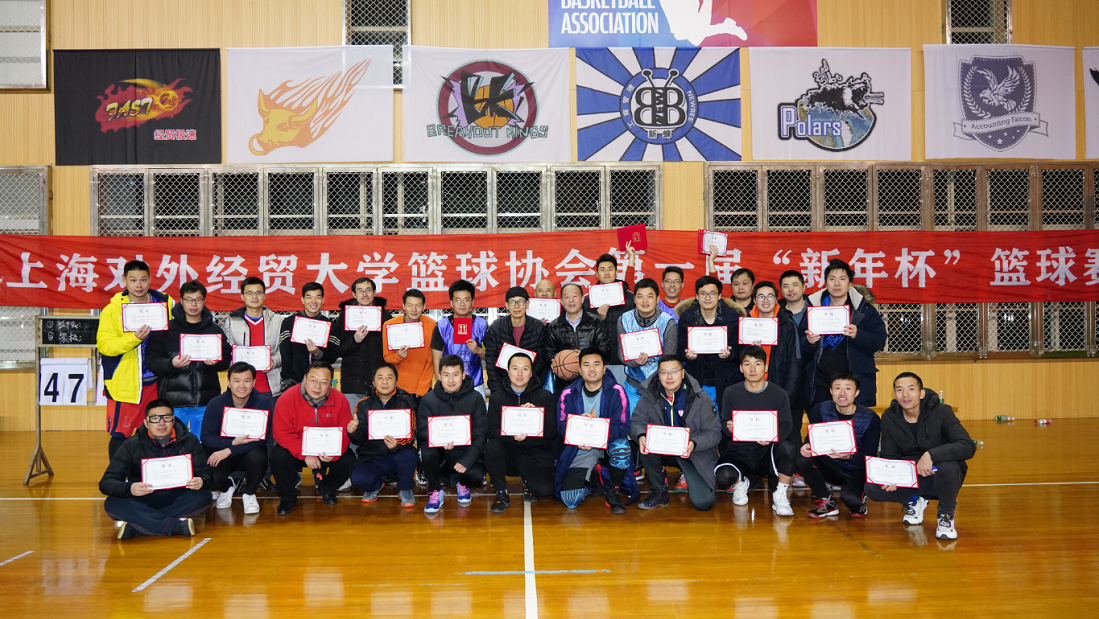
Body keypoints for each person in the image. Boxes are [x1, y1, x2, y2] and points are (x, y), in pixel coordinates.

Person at [865, 372, 976, 540]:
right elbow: (889, 455)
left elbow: (967, 446)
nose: (905, 394)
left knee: (948, 466)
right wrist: (889, 476)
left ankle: (945, 515)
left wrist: (931, 455)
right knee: (872, 488)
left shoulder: (942, 412)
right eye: (900, 390)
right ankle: (913, 500)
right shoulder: (889, 417)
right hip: (910, 472)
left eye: (911, 389)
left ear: (921, 393)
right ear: (894, 394)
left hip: (941, 473)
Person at [100, 400, 211, 539]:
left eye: (167, 418)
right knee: (112, 502)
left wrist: (202, 480)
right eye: (155, 418)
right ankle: (174, 526)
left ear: (173, 420)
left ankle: (139, 526)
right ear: (146, 423)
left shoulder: (189, 440)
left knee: (204, 496)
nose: (161, 423)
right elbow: (106, 482)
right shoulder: (131, 444)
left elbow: (206, 473)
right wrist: (130, 488)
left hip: (179, 497)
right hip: (142, 499)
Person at [97, 260, 174, 460]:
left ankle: (146, 474)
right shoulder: (113, 310)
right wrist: (134, 338)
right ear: (124, 280)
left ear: (150, 279)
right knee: (120, 435)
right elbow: (105, 346)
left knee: (155, 434)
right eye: (133, 280)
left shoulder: (165, 303)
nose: (138, 285)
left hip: (158, 381)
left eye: (143, 279)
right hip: (126, 384)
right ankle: (117, 475)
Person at [630, 355, 722, 511]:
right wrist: (640, 435)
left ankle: (689, 474)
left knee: (704, 502)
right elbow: (636, 422)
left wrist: (694, 443)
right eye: (664, 372)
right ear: (658, 375)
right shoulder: (649, 395)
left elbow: (715, 432)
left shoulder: (700, 397)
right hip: (661, 449)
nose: (669, 377)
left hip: (692, 453)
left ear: (683, 373)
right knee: (645, 442)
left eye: (674, 371)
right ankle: (659, 490)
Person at [553, 348, 637, 514]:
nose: (591, 369)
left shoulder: (617, 391)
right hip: (580, 448)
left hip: (607, 445)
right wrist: (577, 428)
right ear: (579, 369)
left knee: (622, 447)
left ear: (604, 369)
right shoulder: (567, 394)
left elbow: (622, 426)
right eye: (586, 365)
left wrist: (598, 438)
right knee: (571, 500)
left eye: (596, 364)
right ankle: (592, 476)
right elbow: (561, 426)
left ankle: (612, 491)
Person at [717, 346, 798, 516]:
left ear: (766, 367)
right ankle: (741, 483)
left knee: (789, 447)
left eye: (758, 364)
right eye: (747, 364)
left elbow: (786, 426)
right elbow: (724, 424)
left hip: (766, 451)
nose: (752, 369)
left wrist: (771, 437)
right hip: (739, 451)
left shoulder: (779, 394)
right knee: (723, 477)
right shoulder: (731, 392)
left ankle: (780, 494)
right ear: (741, 368)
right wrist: (729, 428)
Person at [145, 281, 232, 433]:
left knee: (204, 442)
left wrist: (216, 363)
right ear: (182, 301)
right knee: (175, 442)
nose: (193, 304)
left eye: (198, 299)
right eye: (189, 299)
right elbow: (152, 360)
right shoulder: (166, 329)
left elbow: (226, 360)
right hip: (174, 401)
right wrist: (171, 364)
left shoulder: (214, 330)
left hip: (205, 400)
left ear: (204, 301)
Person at [270, 361, 355, 515]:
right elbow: (281, 433)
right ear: (304, 378)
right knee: (278, 455)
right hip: (298, 450)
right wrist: (305, 454)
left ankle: (327, 487)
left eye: (324, 382)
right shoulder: (287, 398)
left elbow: (344, 433)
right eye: (313, 380)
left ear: (331, 383)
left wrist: (334, 453)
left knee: (348, 459)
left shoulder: (340, 399)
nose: (317, 386)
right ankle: (288, 497)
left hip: (326, 451)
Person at [801, 259, 888, 407]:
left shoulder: (864, 311)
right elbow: (800, 343)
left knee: (854, 421)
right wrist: (809, 342)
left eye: (842, 279)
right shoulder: (814, 310)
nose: (837, 283)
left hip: (854, 380)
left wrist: (858, 335)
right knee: (822, 419)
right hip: (821, 381)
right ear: (826, 283)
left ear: (850, 284)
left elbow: (879, 341)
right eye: (832, 279)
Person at [796, 371, 880, 518]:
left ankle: (860, 497)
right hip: (830, 465)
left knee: (852, 502)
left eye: (848, 388)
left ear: (856, 392)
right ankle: (826, 500)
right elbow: (811, 439)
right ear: (831, 391)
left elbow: (871, 458)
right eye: (837, 388)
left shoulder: (871, 418)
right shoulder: (820, 410)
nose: (842, 393)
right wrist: (806, 446)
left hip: (856, 469)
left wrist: (849, 456)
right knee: (803, 459)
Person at [484, 353, 557, 513]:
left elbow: (552, 432)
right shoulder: (497, 397)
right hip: (508, 453)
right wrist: (511, 435)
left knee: (544, 491)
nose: (519, 373)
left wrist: (537, 417)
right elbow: (491, 430)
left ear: (531, 373)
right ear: (508, 371)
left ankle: (528, 482)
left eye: (525, 369)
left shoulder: (545, 397)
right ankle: (501, 492)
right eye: (515, 368)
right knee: (492, 447)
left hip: (534, 453)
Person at [418, 355, 488, 514]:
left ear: (463, 375)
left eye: (455, 374)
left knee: (477, 475)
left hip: (465, 453)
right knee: (426, 451)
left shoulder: (476, 398)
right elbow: (421, 431)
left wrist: (467, 460)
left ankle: (462, 484)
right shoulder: (428, 399)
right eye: (446, 375)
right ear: (439, 375)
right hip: (440, 454)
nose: (450, 380)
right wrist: (439, 441)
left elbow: (481, 433)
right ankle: (435, 491)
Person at [200, 362, 273, 515]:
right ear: (228, 382)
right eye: (236, 380)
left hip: (248, 451)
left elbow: (262, 438)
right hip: (221, 453)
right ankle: (227, 487)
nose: (242, 385)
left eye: (247, 380)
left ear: (254, 382)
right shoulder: (215, 403)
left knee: (259, 456)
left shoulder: (263, 403)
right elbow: (206, 437)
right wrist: (231, 443)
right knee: (212, 476)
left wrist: (230, 449)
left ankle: (249, 493)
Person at [346, 363, 418, 509]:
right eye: (380, 377)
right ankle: (376, 486)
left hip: (396, 455)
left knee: (410, 455)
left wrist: (397, 445)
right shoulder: (364, 404)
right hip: (372, 457)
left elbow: (411, 434)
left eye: (389, 377)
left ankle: (405, 489)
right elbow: (359, 439)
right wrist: (353, 431)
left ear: (396, 382)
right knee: (358, 479)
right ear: (374, 383)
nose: (385, 382)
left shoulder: (405, 402)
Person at [676, 275, 743, 406]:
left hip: (726, 378)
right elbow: (680, 348)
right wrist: (687, 354)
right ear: (697, 296)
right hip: (696, 377)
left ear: (719, 296)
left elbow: (740, 349)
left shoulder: (732, 317)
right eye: (703, 294)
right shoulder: (687, 318)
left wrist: (730, 353)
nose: (707, 298)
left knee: (724, 416)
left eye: (712, 293)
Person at [618, 277, 677, 411]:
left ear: (657, 299)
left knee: (658, 422)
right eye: (640, 296)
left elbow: (670, 359)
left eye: (649, 296)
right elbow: (622, 355)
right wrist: (634, 362)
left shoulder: (668, 322)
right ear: (634, 299)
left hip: (660, 386)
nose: (645, 301)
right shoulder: (624, 319)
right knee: (633, 421)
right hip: (633, 385)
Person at [545, 283, 612, 396]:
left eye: (575, 296)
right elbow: (548, 352)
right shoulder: (554, 326)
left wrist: (585, 356)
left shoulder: (596, 322)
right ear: (561, 301)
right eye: (567, 297)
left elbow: (606, 349)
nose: (571, 300)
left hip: (593, 381)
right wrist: (555, 361)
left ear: (582, 299)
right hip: (564, 384)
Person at [336, 277, 392, 412]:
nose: (364, 294)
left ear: (374, 293)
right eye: (360, 291)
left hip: (379, 383)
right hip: (352, 382)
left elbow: (390, 350)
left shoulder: (386, 318)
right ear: (354, 294)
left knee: (378, 421)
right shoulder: (344, 317)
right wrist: (354, 340)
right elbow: (338, 350)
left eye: (368, 290)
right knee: (354, 421)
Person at [223, 276, 284, 398]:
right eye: (249, 293)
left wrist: (273, 361)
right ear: (242, 296)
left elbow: (284, 351)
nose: (254, 297)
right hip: (241, 389)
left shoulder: (278, 321)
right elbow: (227, 353)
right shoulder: (231, 322)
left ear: (264, 295)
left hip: (270, 388)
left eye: (258, 293)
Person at [484, 286, 549, 396]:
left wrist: (527, 380)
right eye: (512, 302)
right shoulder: (496, 327)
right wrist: (497, 389)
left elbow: (541, 359)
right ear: (506, 305)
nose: (517, 306)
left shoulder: (538, 327)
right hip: (502, 386)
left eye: (521, 302)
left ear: (527, 304)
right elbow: (491, 360)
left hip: (531, 386)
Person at [278, 282, 340, 392]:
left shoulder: (331, 326)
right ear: (302, 300)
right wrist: (287, 379)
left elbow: (333, 356)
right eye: (309, 297)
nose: (313, 301)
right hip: (294, 382)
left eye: (318, 297)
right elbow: (285, 353)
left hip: (320, 384)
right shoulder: (289, 323)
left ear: (323, 300)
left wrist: (317, 353)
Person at [583, 252, 635, 380]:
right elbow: (583, 331)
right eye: (602, 269)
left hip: (624, 361)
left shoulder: (630, 297)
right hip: (597, 361)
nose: (606, 272)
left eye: (610, 269)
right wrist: (598, 318)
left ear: (616, 272)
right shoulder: (587, 300)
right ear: (597, 274)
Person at [431, 280, 488, 397]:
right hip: (449, 386)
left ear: (473, 302)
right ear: (451, 303)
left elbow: (491, 356)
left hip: (475, 384)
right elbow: (437, 360)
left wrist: (478, 350)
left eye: (466, 300)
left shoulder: (482, 325)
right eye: (458, 300)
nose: (462, 304)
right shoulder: (442, 326)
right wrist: (441, 385)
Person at [746, 281, 799, 399]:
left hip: (778, 387)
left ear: (776, 300)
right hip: (750, 387)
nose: (765, 300)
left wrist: (787, 396)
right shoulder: (745, 323)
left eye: (770, 296)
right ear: (754, 300)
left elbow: (794, 362)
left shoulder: (787, 324)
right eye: (761, 296)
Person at [382, 289, 437, 398]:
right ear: (403, 306)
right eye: (410, 305)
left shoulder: (432, 325)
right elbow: (387, 357)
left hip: (423, 388)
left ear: (424, 307)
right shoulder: (390, 325)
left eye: (418, 305)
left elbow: (431, 361)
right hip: (397, 387)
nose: (414, 309)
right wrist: (398, 356)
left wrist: (422, 388)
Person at [779, 270, 810, 446]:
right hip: (788, 377)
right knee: (791, 427)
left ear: (804, 287)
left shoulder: (815, 311)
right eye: (786, 286)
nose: (790, 289)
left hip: (813, 376)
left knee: (818, 423)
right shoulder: (777, 314)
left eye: (795, 285)